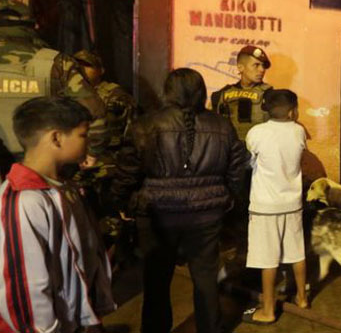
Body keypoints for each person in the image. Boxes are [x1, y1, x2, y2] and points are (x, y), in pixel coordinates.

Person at [112, 68, 249, 333]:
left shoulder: (146, 124)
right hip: (207, 215)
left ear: (168, 92)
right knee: (206, 278)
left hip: (157, 214)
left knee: (156, 282)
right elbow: (236, 169)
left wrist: (120, 202)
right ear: (202, 92)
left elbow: (128, 169)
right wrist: (227, 197)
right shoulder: (222, 125)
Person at [0, 97, 114, 333]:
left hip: (73, 322)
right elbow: (24, 288)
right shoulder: (23, 202)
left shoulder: (63, 188)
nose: (88, 142)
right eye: (83, 135)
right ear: (56, 138)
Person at [0, 0, 105, 176]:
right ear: (31, 26)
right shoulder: (56, 63)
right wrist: (91, 153)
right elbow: (96, 113)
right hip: (42, 174)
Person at [242, 89, 308, 324]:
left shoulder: (256, 133)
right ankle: (301, 298)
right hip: (292, 203)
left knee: (267, 258)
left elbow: (249, 163)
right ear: (292, 111)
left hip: (265, 205)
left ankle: (268, 311)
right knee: (297, 252)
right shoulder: (299, 131)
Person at [73, 49, 137, 154]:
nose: (81, 69)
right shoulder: (71, 93)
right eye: (77, 65)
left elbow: (128, 130)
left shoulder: (114, 94)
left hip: (106, 154)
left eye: (87, 65)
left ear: (101, 70)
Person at [210, 45, 273, 141]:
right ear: (240, 67)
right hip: (230, 152)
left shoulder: (271, 95)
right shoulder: (220, 95)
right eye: (256, 65)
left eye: (263, 66)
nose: (262, 70)